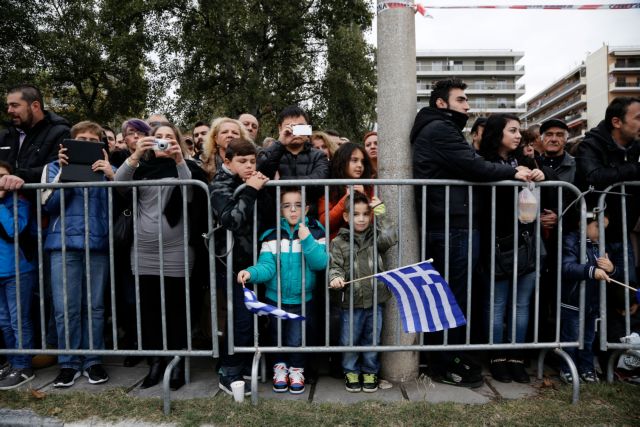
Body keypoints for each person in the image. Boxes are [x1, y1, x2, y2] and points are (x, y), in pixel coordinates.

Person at [410, 79, 531, 388]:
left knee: (454, 295)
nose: (467, 105)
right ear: (442, 103)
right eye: (461, 99)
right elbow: (472, 166)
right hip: (453, 225)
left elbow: (471, 164)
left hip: (455, 223)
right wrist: (510, 171)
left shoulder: (442, 127)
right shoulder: (439, 129)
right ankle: (445, 361)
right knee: (453, 297)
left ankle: (450, 356)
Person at [114, 122, 208, 391]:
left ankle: (177, 362)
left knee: (177, 310)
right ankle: (157, 361)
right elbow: (119, 185)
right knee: (150, 310)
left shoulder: (189, 169)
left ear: (178, 141)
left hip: (177, 251)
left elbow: (190, 192)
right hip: (143, 251)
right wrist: (134, 155)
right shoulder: (141, 169)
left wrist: (180, 159)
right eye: (158, 137)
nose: (164, 141)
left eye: (170, 137)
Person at [42, 121, 115, 388]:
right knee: (65, 309)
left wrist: (110, 173)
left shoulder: (110, 169)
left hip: (97, 245)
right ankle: (69, 363)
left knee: (95, 307)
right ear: (69, 143)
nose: (85, 143)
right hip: (62, 245)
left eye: (91, 140)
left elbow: (125, 199)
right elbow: (48, 205)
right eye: (80, 139)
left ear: (99, 145)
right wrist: (64, 173)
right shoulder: (52, 168)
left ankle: (94, 361)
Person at [477, 113, 548, 384]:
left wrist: (543, 173)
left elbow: (550, 178)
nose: (519, 136)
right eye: (513, 130)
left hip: (528, 242)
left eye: (519, 131)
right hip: (497, 244)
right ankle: (496, 357)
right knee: (496, 305)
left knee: (522, 305)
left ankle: (516, 356)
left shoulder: (527, 160)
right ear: (498, 133)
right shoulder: (483, 162)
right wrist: (509, 175)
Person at [237, 187, 328, 394]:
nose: (293, 211)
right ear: (280, 210)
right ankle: (280, 369)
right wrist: (250, 273)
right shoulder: (271, 236)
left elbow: (320, 263)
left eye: (298, 206)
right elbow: (266, 267)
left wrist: (307, 239)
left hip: (303, 300)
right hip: (274, 299)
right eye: (287, 206)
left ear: (305, 209)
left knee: (296, 339)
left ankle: (296, 371)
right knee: (276, 336)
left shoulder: (316, 233)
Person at [209, 138, 270, 396]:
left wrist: (255, 188)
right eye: (242, 161)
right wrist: (250, 190)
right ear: (227, 161)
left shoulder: (253, 181)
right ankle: (229, 371)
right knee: (240, 320)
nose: (248, 166)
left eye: (252, 161)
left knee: (252, 318)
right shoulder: (219, 184)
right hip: (232, 264)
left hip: (255, 263)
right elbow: (231, 220)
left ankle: (244, 365)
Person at [329, 192, 397, 393]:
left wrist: (381, 213)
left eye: (365, 214)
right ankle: (350, 371)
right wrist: (335, 278)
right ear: (347, 217)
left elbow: (391, 238)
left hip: (375, 301)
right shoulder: (339, 242)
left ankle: (370, 371)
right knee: (349, 339)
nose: (361, 218)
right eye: (356, 214)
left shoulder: (375, 237)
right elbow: (335, 266)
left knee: (372, 339)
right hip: (351, 302)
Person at [560, 216, 622, 384]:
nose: (601, 232)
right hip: (573, 302)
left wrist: (611, 268)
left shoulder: (599, 245)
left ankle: (586, 367)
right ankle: (568, 368)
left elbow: (611, 273)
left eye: (605, 228)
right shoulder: (571, 241)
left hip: (593, 303)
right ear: (582, 223)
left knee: (588, 339)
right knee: (571, 338)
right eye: (598, 226)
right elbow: (567, 266)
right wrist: (591, 270)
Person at [575, 97, 640, 244]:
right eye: (638, 118)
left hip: (625, 233)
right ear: (616, 122)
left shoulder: (636, 144)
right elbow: (594, 176)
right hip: (597, 231)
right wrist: (635, 168)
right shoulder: (589, 145)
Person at [0, 161, 36, 390]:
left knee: (18, 321)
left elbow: (14, 230)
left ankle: (24, 366)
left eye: (2, 176)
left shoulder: (19, 202)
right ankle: (12, 361)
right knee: (4, 322)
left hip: (17, 270)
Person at [0, 84, 70, 190]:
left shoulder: (61, 133)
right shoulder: (5, 134)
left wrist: (20, 177)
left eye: (14, 105)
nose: (9, 110)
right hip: (5, 202)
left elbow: (55, 168)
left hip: (40, 202)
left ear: (35, 106)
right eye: (8, 106)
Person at [257, 105, 329, 206]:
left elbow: (318, 183)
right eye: (290, 127)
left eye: (300, 127)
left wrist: (280, 182)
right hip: (275, 216)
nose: (295, 132)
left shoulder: (319, 156)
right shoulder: (271, 152)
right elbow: (261, 173)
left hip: (309, 216)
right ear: (280, 129)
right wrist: (280, 143)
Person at [318, 142, 373, 240]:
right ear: (342, 162)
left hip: (365, 245)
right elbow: (324, 223)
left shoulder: (369, 187)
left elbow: (377, 220)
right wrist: (345, 200)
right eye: (354, 160)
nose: (360, 165)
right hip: (338, 247)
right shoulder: (330, 188)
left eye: (362, 162)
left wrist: (364, 196)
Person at [201, 117, 250, 182]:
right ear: (216, 139)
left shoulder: (252, 162)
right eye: (224, 132)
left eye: (235, 133)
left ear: (242, 139)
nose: (230, 135)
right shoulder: (204, 165)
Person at [539, 118, 576, 184]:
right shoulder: (533, 164)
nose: (554, 139)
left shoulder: (577, 165)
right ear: (541, 138)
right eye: (549, 134)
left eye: (559, 135)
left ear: (566, 139)